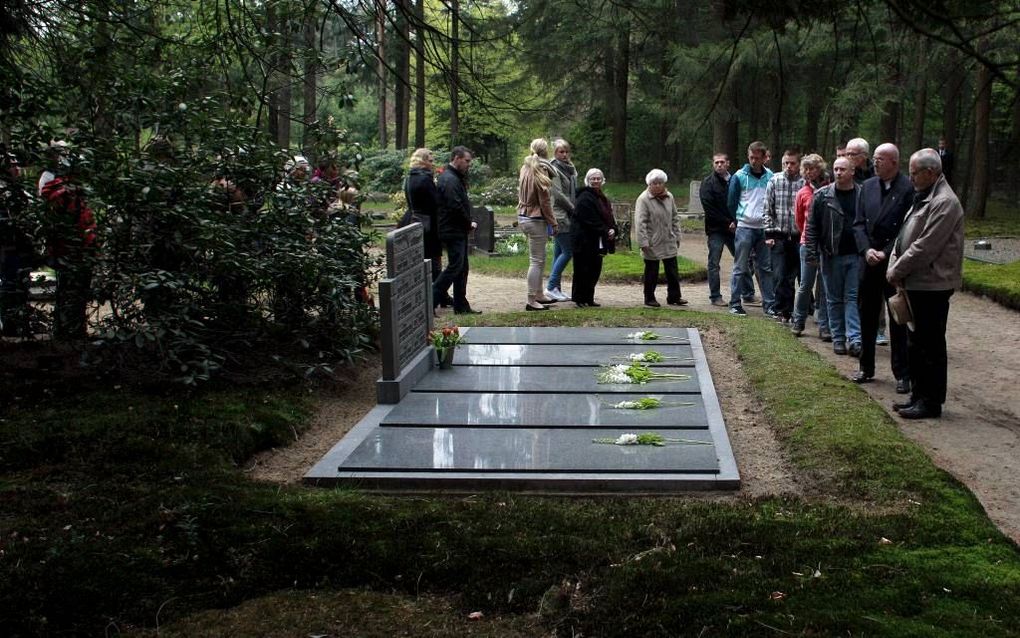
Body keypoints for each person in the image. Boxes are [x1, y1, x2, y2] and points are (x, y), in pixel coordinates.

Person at [887, 148, 964, 419]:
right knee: (915, 342)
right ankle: (918, 395)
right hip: (915, 282)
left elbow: (926, 246)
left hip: (932, 283)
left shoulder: (945, 202)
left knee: (930, 343)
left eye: (914, 173)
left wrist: (897, 269)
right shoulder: (923, 197)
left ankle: (930, 402)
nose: (911, 178)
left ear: (931, 173)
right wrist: (894, 263)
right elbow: (904, 236)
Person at [850, 143, 912, 393]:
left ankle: (902, 373)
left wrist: (886, 252)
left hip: (892, 263)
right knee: (866, 315)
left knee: (897, 319)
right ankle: (866, 367)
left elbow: (906, 228)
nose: (875, 163)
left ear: (894, 162)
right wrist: (866, 250)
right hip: (868, 261)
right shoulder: (867, 187)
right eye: (874, 159)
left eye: (880, 159)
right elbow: (857, 224)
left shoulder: (907, 188)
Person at [805, 157, 861, 356]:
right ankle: (838, 338)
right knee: (833, 299)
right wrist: (812, 253)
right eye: (836, 169)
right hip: (830, 255)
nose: (838, 172)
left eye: (843, 169)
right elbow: (811, 227)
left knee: (852, 297)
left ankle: (855, 338)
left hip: (856, 255)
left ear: (852, 171)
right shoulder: (822, 196)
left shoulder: (862, 194)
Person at [41, 149, 97, 341]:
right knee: (70, 292)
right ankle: (67, 332)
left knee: (75, 292)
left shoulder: (76, 194)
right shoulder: (62, 195)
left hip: (79, 250)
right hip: (71, 252)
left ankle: (73, 330)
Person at [727, 141, 775, 317]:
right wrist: (737, 218)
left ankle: (769, 304)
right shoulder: (739, 176)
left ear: (764, 158)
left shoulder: (770, 176)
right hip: (745, 226)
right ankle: (734, 302)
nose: (754, 161)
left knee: (765, 268)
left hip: (764, 228)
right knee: (740, 267)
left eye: (757, 157)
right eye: (751, 157)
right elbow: (731, 201)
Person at [700, 153, 753, 307]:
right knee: (714, 263)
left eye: (722, 162)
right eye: (716, 162)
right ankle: (715, 296)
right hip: (716, 229)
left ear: (728, 163)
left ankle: (748, 293)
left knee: (742, 259)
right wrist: (727, 222)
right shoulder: (708, 183)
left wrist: (736, 221)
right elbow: (709, 208)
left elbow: (742, 200)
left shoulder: (735, 180)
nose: (719, 165)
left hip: (734, 227)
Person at [434, 146, 481, 315]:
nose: (469, 164)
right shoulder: (449, 179)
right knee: (455, 267)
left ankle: (461, 305)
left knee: (462, 267)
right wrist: (468, 223)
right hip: (451, 229)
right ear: (456, 158)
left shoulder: (453, 177)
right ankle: (431, 298)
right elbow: (455, 206)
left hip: (456, 228)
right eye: (467, 161)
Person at [401, 148, 448, 306]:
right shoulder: (424, 178)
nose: (433, 163)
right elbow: (436, 202)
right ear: (422, 161)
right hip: (428, 224)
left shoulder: (410, 177)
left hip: (414, 220)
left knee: (426, 259)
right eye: (430, 160)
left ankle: (440, 294)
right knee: (433, 260)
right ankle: (436, 295)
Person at [517, 138, 559, 311]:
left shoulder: (525, 167)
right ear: (546, 151)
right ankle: (531, 299)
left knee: (539, 260)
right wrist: (553, 222)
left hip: (523, 216)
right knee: (536, 261)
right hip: (535, 219)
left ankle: (539, 294)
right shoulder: (541, 169)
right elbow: (545, 202)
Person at [790, 154, 829, 339]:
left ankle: (824, 325)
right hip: (807, 243)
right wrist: (807, 235)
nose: (808, 172)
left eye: (812, 168)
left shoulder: (830, 189)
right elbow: (799, 220)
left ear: (819, 169)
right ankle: (798, 321)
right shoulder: (802, 193)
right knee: (805, 284)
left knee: (824, 285)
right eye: (805, 169)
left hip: (827, 245)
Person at [763, 149, 804, 322]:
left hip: (797, 236)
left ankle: (792, 310)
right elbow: (767, 209)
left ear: (798, 164)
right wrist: (769, 234)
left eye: (792, 163)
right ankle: (781, 310)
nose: (788, 166)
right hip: (778, 235)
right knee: (779, 274)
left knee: (792, 276)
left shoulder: (804, 183)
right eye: (786, 163)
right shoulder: (774, 180)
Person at [635, 169, 685, 307]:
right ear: (649, 184)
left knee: (672, 270)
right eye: (654, 183)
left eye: (660, 183)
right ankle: (649, 298)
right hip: (652, 240)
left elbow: (675, 217)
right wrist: (643, 242)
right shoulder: (643, 199)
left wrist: (677, 235)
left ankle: (674, 296)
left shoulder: (669, 196)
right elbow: (640, 223)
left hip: (668, 238)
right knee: (652, 271)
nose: (657, 185)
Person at [1, 146, 35, 337]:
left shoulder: (19, 190)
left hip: (21, 245)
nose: (17, 169)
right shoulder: (4, 191)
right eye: (13, 166)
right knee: (10, 284)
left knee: (20, 283)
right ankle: (11, 324)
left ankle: (22, 321)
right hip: (8, 246)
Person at [571, 168, 616, 307]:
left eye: (598, 178)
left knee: (594, 269)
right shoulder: (584, 197)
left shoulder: (601, 197)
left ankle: (589, 298)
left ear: (602, 180)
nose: (596, 181)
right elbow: (588, 219)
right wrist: (605, 230)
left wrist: (613, 228)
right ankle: (579, 298)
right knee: (582, 269)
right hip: (584, 239)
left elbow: (608, 216)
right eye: (593, 179)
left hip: (597, 240)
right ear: (588, 180)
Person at [545, 139, 577, 302]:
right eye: (560, 152)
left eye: (566, 152)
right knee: (568, 251)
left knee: (559, 252)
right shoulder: (554, 169)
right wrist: (573, 208)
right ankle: (551, 286)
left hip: (567, 213)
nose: (564, 155)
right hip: (560, 215)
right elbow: (557, 194)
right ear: (555, 153)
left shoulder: (570, 168)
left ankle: (555, 288)